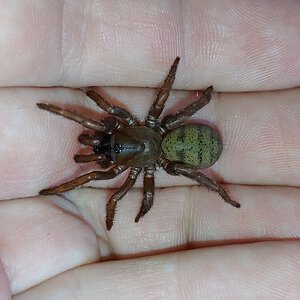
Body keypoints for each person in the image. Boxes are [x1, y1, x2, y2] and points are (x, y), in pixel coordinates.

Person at [1, 1, 300, 299]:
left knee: (174, 168)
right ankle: (221, 193)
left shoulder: (136, 152)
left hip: (181, 146)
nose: (105, 144)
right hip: (170, 139)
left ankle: (221, 194)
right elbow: (125, 181)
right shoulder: (146, 129)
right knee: (167, 151)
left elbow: (122, 187)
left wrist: (126, 204)